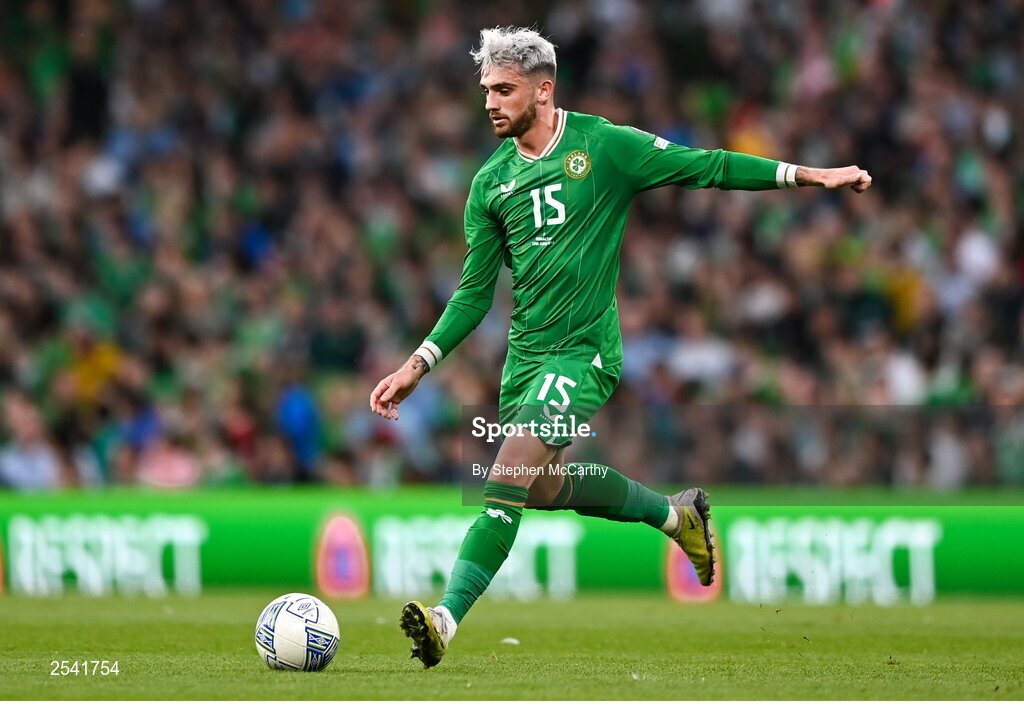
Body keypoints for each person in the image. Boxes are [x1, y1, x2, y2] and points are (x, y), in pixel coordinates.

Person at [369, 26, 872, 669]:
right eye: (485, 91)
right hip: (525, 362)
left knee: (504, 477)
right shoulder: (489, 184)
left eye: (504, 89)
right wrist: (419, 365)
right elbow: (473, 296)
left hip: (585, 354)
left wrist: (811, 176)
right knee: (543, 488)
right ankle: (674, 516)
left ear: (543, 90)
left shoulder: (603, 146)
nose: (490, 102)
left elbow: (708, 166)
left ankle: (444, 618)